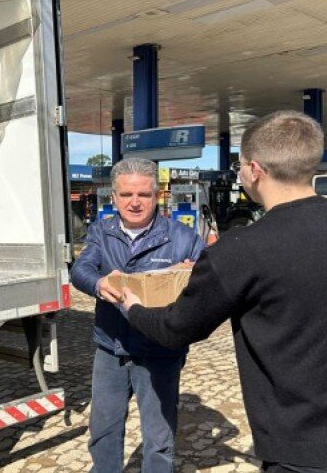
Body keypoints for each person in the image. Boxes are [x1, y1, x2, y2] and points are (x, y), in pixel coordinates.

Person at [121, 111, 327, 472]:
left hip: (317, 450)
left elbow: (177, 328)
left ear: (254, 169)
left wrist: (132, 305)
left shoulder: (238, 250)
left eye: (240, 167)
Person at [70, 158, 205, 472]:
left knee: (159, 441)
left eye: (143, 195)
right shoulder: (101, 231)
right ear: (114, 197)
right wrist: (98, 283)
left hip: (158, 352)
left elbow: (207, 284)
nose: (134, 203)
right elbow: (81, 269)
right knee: (102, 433)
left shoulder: (182, 238)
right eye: (126, 195)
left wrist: (188, 276)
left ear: (156, 196)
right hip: (111, 348)